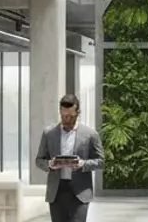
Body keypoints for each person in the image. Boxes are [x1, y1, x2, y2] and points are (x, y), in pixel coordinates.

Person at [35, 94, 104, 222]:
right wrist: (50, 164)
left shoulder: (90, 134)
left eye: (70, 116)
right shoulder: (49, 134)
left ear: (78, 113)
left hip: (80, 191)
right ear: (60, 112)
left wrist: (83, 164)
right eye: (63, 115)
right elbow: (39, 160)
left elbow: (100, 161)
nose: (66, 119)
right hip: (57, 191)